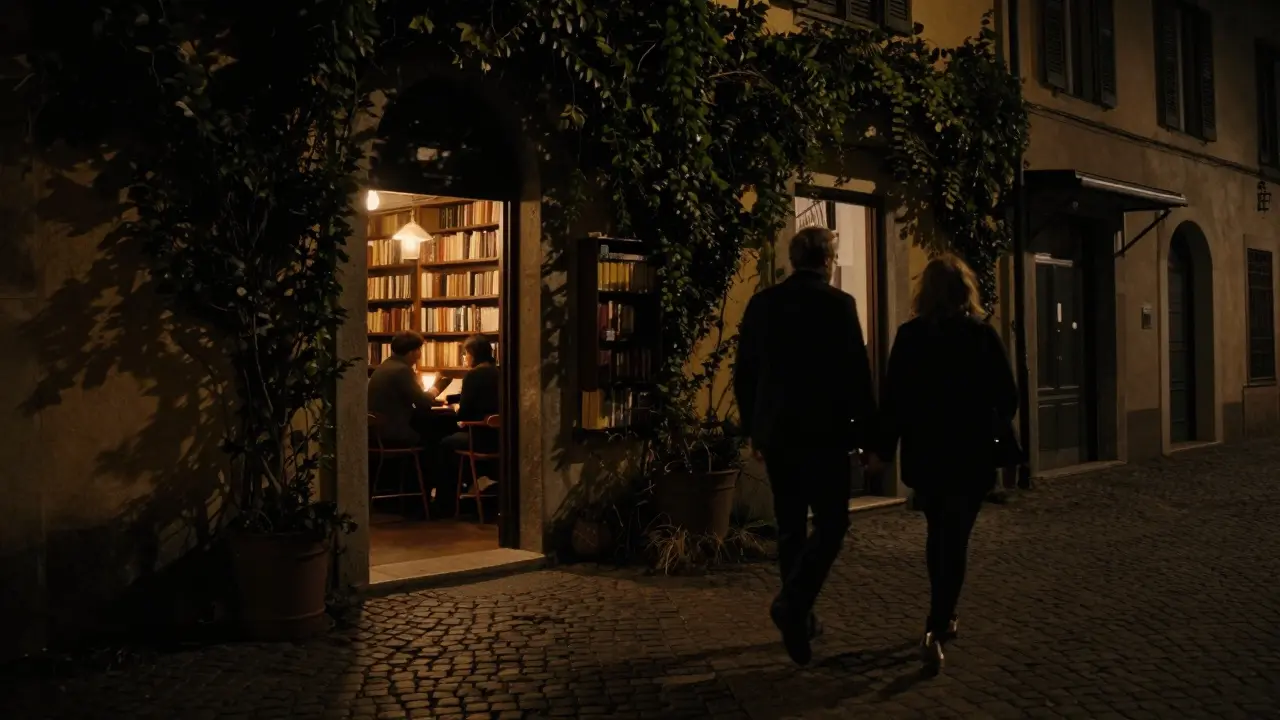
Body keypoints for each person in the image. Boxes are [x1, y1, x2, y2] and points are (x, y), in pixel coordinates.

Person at [867, 254, 1018, 675]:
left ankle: (940, 616)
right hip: (970, 454)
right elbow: (1006, 397)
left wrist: (882, 450)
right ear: (965, 290)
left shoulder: (910, 336)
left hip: (928, 452)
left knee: (938, 531)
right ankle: (940, 619)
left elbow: (893, 400)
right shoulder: (981, 336)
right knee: (957, 536)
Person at [733, 226, 877, 666]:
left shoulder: (764, 304)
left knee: (791, 525)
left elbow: (746, 373)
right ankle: (794, 606)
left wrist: (754, 429)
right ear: (828, 261)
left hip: (779, 434)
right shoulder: (839, 305)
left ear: (795, 259)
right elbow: (856, 376)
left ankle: (799, 614)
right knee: (832, 524)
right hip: (825, 434)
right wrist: (867, 439)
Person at [436, 334, 501, 515]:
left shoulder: (473, 375)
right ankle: (471, 485)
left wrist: (455, 407)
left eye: (465, 353)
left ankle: (445, 503)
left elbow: (463, 413)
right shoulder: (498, 372)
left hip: (479, 437)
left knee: (444, 444)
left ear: (473, 353)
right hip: (498, 437)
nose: (464, 358)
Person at [368, 331, 451, 447]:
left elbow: (409, 400)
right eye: (419, 350)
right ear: (412, 352)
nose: (420, 355)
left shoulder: (384, 366)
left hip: (378, 432)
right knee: (441, 430)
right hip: (394, 432)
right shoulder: (402, 370)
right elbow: (421, 402)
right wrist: (435, 389)